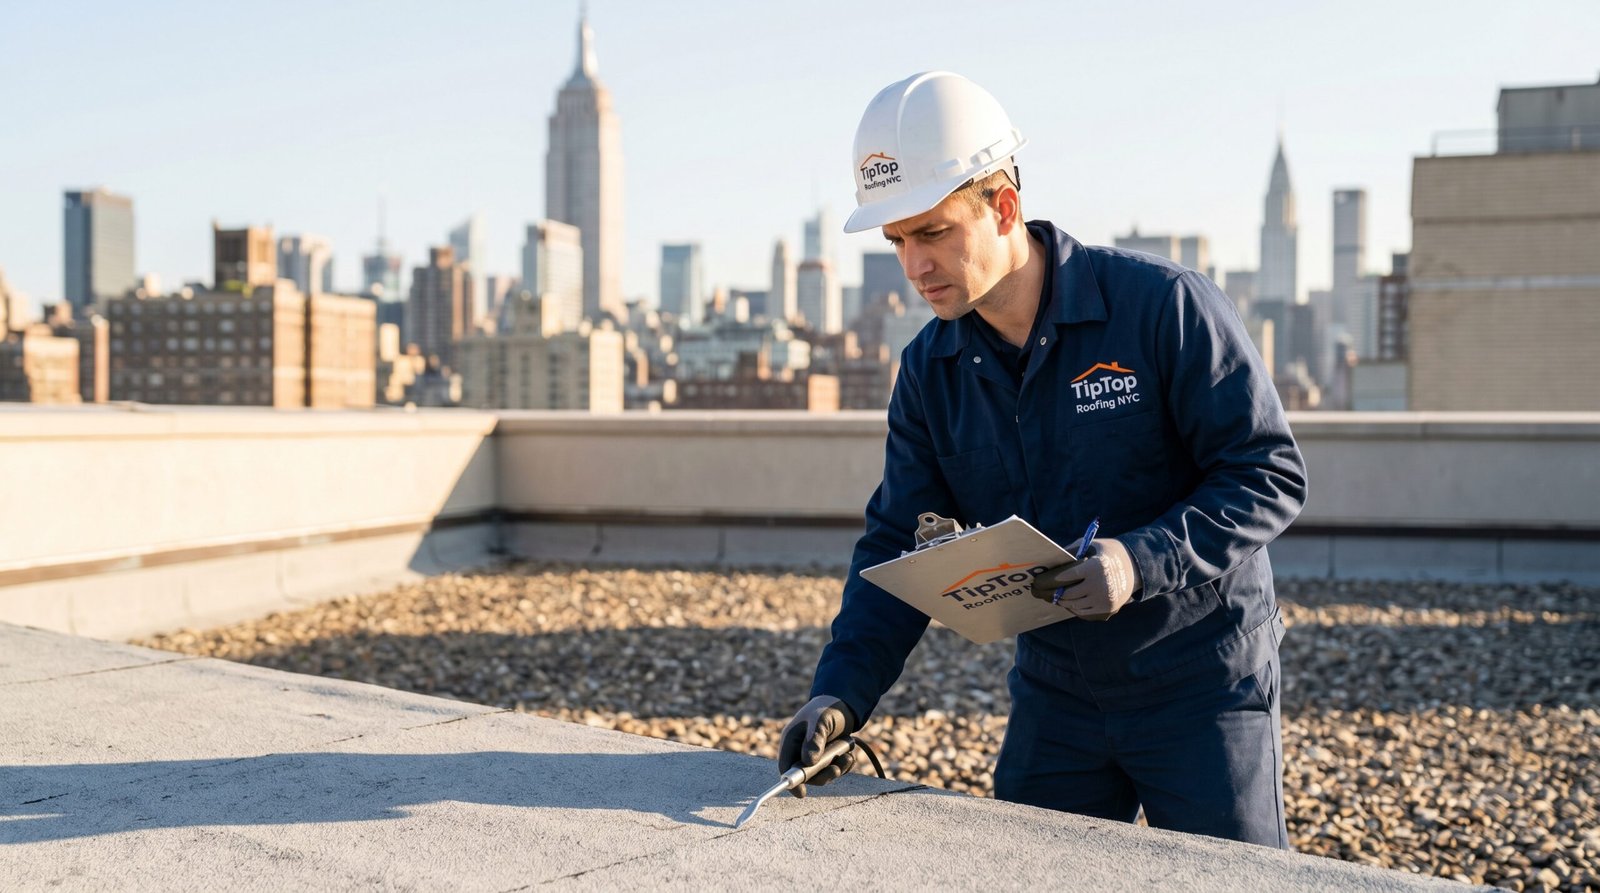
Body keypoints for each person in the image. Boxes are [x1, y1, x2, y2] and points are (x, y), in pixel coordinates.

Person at [776, 71, 1307, 848]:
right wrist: (840, 695)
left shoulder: (1162, 307)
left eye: (933, 233)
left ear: (1004, 207)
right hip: (1059, 695)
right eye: (897, 242)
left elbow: (1268, 471)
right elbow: (897, 542)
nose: (915, 266)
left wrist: (1138, 561)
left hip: (1202, 685)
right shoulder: (932, 370)